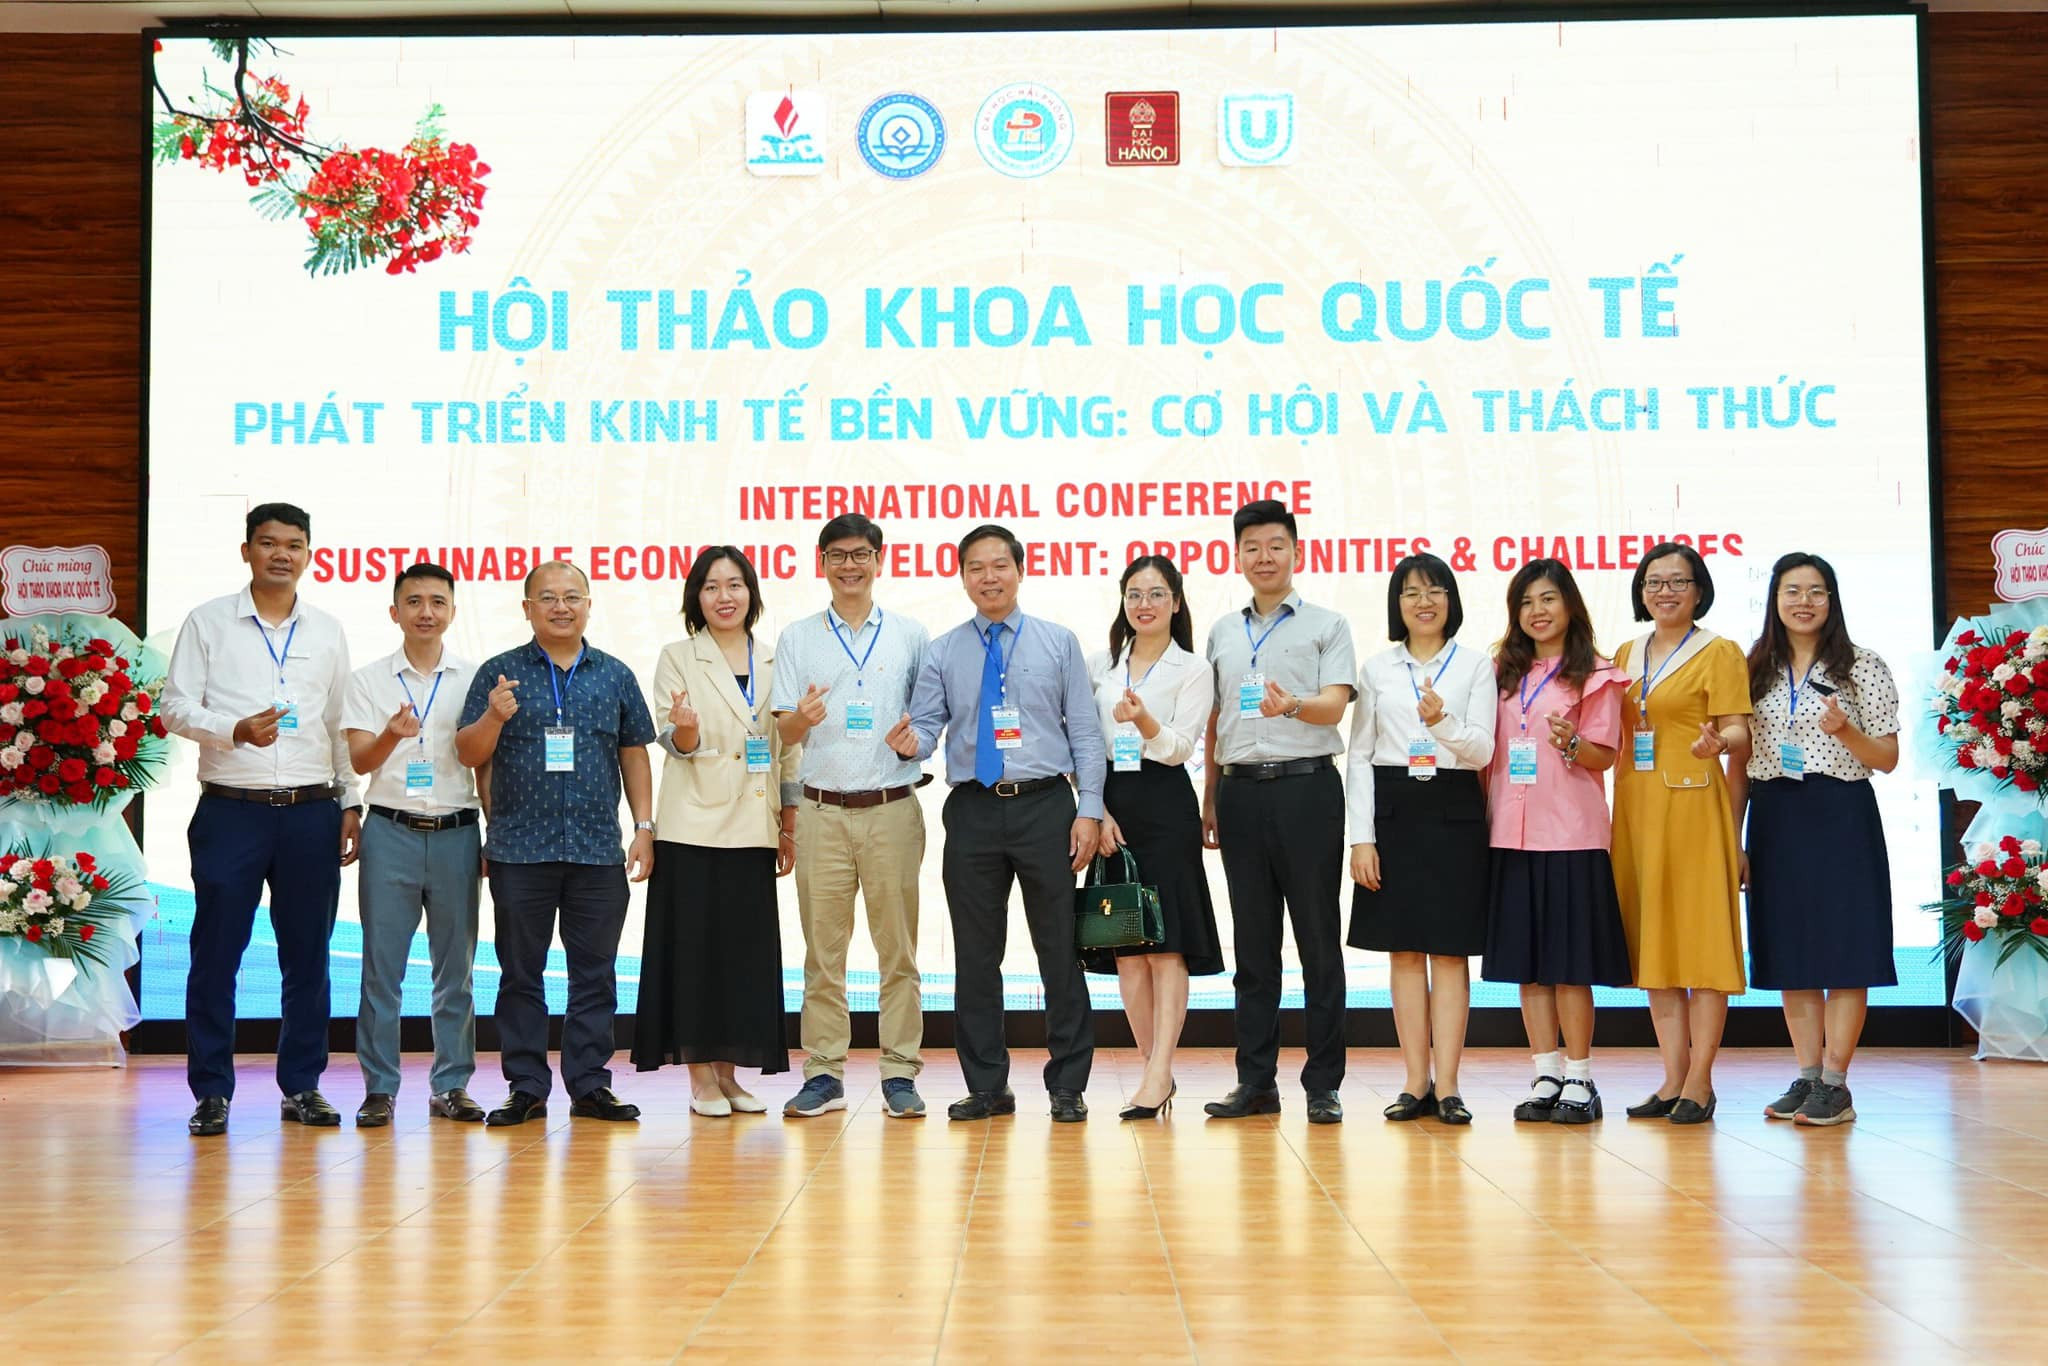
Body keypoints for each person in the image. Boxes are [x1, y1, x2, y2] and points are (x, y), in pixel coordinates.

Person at [161, 502, 363, 1137]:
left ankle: (302, 1085)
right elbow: (173, 707)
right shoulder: (208, 621)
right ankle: (211, 1092)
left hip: (310, 812)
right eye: (269, 542)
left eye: (294, 544)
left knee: (308, 956)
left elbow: (338, 722)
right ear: (246, 550)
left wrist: (350, 800)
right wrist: (234, 730)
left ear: (308, 555)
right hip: (232, 810)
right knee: (216, 954)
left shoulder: (327, 630)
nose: (282, 554)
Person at [893, 524, 1103, 1122]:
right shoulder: (943, 650)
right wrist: (912, 744)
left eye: (999, 565)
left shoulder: (1058, 642)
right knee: (976, 956)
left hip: (1046, 806)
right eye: (976, 568)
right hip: (974, 808)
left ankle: (1068, 1084)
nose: (989, 577)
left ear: (1020, 570)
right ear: (963, 577)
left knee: (1058, 950)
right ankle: (988, 1086)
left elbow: (1085, 732)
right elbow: (927, 726)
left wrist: (1089, 808)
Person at [456, 560, 656, 1126]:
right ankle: (526, 1087)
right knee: (521, 975)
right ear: (528, 608)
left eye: (572, 596)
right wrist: (494, 717)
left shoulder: (615, 675)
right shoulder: (499, 674)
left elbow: (634, 752)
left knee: (595, 976)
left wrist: (644, 828)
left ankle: (590, 1085)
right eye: (547, 597)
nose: (561, 607)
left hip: (597, 851)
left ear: (589, 604)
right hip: (520, 851)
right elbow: (469, 752)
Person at [771, 515, 931, 1120]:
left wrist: (917, 740)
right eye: (837, 555)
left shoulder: (911, 634)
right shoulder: (798, 637)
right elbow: (785, 731)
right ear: (822, 563)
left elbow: (930, 719)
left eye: (860, 554)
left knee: (899, 952)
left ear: (879, 560)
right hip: (821, 812)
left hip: (892, 808)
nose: (849, 566)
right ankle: (824, 1073)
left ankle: (900, 1072)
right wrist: (802, 719)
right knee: (822, 953)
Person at [1201, 500, 1356, 1124]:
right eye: (1252, 547)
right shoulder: (1221, 631)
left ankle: (1323, 1084)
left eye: (1275, 546)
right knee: (1254, 945)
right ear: (1237, 556)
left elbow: (1335, 705)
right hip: (1239, 793)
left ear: (1296, 551)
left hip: (1306, 789)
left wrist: (1291, 705)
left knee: (1318, 940)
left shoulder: (1327, 624)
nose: (1264, 557)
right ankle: (1256, 1081)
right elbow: (1216, 719)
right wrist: (1210, 797)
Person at [1733, 552, 1900, 1127]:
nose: (1803, 602)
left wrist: (1844, 729)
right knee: (1792, 952)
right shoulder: (1753, 667)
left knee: (1846, 951)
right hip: (1774, 815)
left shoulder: (1863, 665)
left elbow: (1887, 757)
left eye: (1815, 591)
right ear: (1774, 599)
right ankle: (1807, 1076)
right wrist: (1734, 839)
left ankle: (1836, 1083)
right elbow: (1740, 763)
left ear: (1832, 600)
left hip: (1840, 812)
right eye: (1792, 591)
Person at [632, 547, 800, 1115]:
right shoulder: (678, 656)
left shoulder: (777, 658)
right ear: (695, 597)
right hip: (693, 827)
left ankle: (729, 1076)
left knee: (741, 957)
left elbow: (789, 750)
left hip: (755, 824)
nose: (724, 597)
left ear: (751, 593)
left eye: (734, 585)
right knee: (693, 955)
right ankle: (700, 1077)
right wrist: (685, 730)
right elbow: (674, 743)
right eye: (711, 586)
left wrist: (789, 823)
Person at [1480, 560, 1633, 1124]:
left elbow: (1605, 755)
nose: (1537, 611)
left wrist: (1572, 744)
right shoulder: (1500, 672)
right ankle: (1545, 1072)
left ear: (1569, 604)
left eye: (1547, 599)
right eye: (1525, 602)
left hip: (1571, 833)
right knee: (1528, 966)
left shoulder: (1597, 674)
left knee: (1570, 966)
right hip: (1509, 833)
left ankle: (1580, 1077)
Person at [1347, 554, 1496, 1126]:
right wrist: (1361, 839)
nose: (1423, 602)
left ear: (1451, 600)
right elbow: (1359, 757)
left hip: (1454, 810)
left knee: (1450, 952)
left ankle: (1450, 1085)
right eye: (1411, 592)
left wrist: (1441, 724)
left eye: (1435, 590)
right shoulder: (1377, 669)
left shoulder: (1475, 665)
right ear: (1397, 604)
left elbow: (1482, 750)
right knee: (1404, 952)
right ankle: (1415, 1081)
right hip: (1394, 812)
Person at [1611, 541, 1752, 1125]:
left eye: (1677, 581)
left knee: (1701, 943)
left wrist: (1718, 742)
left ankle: (1700, 1081)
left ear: (1699, 591)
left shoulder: (1719, 651)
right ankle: (1672, 1077)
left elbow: (1740, 730)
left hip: (1694, 807)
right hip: (1637, 808)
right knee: (1656, 945)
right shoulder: (1626, 651)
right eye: (1654, 581)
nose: (1664, 591)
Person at [340, 562, 484, 1126]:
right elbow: (359, 761)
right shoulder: (368, 680)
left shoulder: (474, 678)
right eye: (415, 601)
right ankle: (380, 1088)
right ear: (394, 611)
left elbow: (484, 762)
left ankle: (451, 1085)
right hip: (390, 832)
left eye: (438, 602)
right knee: (382, 970)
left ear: (453, 611)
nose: (427, 612)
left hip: (456, 833)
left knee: (456, 971)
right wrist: (390, 735)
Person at [1087, 555, 1225, 1120]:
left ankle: (1159, 1069)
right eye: (1134, 594)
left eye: (1156, 594)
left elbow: (1179, 748)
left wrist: (1143, 721)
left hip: (1166, 805)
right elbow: (1083, 744)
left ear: (1176, 602)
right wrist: (1096, 811)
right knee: (1127, 951)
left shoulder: (1192, 669)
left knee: (1166, 949)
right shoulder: (1100, 665)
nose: (1144, 604)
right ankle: (1154, 1071)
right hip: (1111, 806)